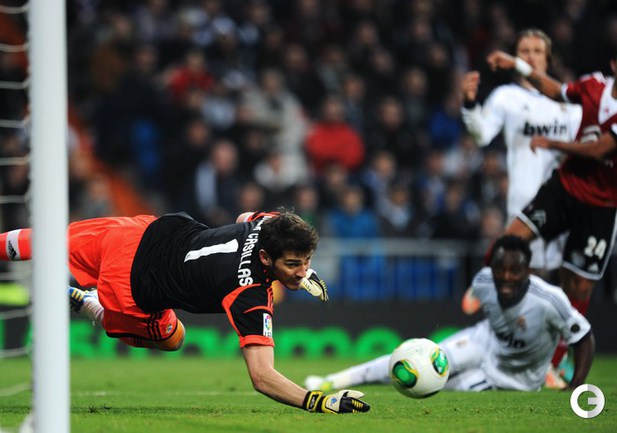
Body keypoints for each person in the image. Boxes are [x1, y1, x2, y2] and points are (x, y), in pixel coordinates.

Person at [0, 210, 370, 414]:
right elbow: (262, 377)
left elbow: (245, 214)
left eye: (307, 262)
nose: (302, 271)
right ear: (264, 258)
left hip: (140, 232)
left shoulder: (269, 225)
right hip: (132, 286)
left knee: (47, 238)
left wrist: (298, 270)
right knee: (175, 338)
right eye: (292, 264)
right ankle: (91, 304)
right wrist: (318, 401)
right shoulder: (250, 293)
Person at [304, 235, 594, 392]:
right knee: (415, 359)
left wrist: (576, 386)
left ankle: (546, 375)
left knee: (437, 384)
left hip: (513, 378)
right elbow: (472, 300)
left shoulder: (549, 300)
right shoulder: (484, 280)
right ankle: (333, 381)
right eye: (500, 269)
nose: (506, 277)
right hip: (482, 341)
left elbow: (584, 337)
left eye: (514, 271)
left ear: (527, 271)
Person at [485, 48, 617, 379]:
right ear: (614, 65)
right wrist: (517, 65)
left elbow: (600, 149)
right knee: (510, 240)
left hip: (601, 205)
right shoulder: (592, 86)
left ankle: (553, 363)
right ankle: (487, 307)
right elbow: (556, 90)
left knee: (579, 287)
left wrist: (554, 144)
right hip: (565, 188)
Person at [461, 28, 581, 277]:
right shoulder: (506, 97)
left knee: (569, 276)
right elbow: (481, 135)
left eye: (537, 51)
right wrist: (470, 104)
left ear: (548, 59)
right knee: (529, 274)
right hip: (525, 200)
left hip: (566, 199)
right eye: (524, 51)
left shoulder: (567, 101)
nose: (530, 57)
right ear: (515, 57)